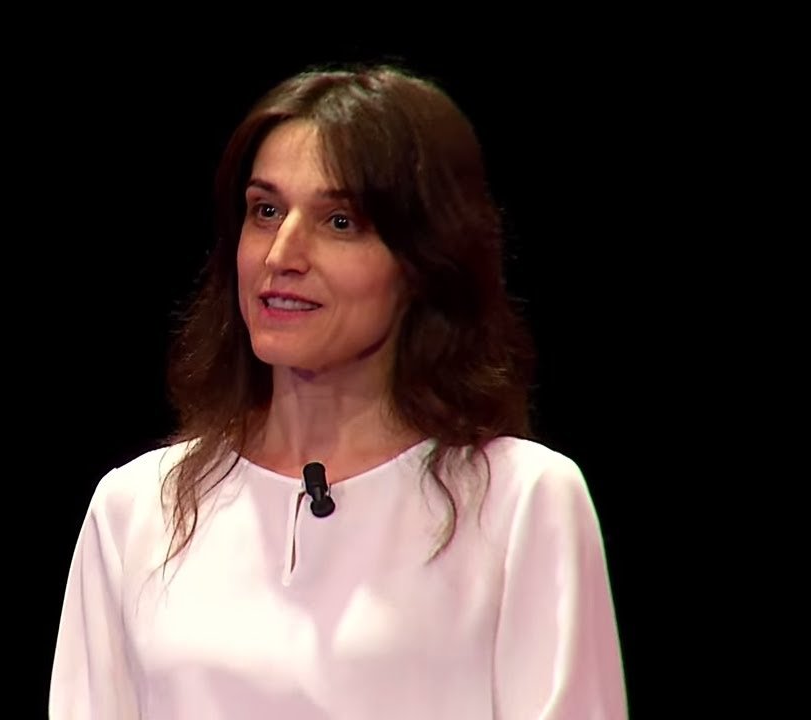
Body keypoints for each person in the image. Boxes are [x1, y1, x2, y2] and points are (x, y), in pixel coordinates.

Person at [48, 62, 627, 719]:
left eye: (340, 222)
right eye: (266, 211)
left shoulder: (521, 501)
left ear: (422, 262)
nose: (281, 255)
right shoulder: (135, 509)